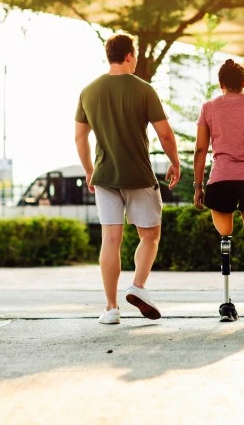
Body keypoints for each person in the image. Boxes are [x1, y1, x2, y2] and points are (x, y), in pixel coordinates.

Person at [75, 32, 181, 325]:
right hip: (139, 175)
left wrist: (88, 169)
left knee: (110, 238)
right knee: (150, 235)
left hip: (105, 176)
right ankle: (138, 286)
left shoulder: (89, 91)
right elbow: (165, 133)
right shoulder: (144, 90)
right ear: (130, 56)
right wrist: (175, 161)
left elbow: (80, 137)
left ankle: (110, 308)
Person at [193, 59, 244, 323]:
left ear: (221, 84)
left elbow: (200, 150)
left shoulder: (209, 107)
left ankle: (227, 305)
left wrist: (197, 186)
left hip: (222, 181)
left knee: (225, 238)